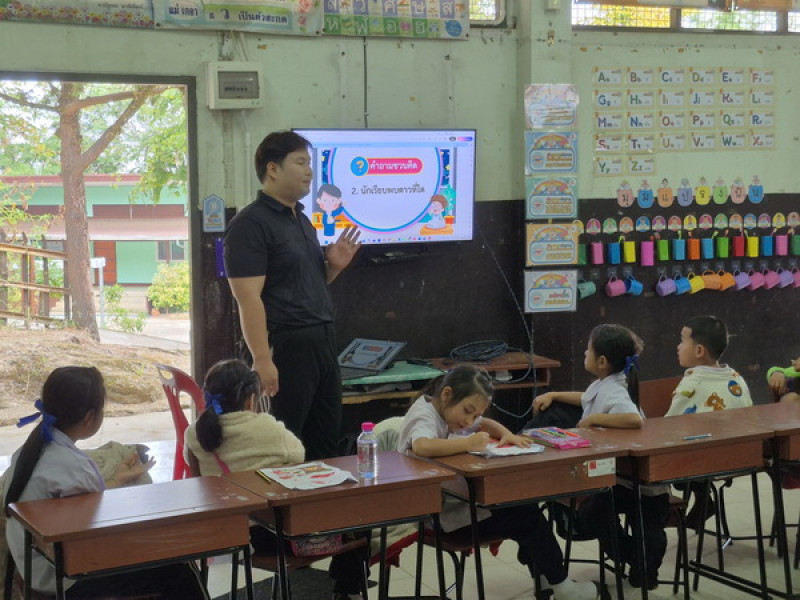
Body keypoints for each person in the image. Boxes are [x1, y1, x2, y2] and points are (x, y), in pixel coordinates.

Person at [397, 365, 604, 600]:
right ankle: (562, 586)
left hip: (450, 508)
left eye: (474, 414)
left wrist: (507, 434)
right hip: (439, 519)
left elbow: (483, 423)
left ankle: (547, 576)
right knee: (528, 517)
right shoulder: (424, 415)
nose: (469, 420)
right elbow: (422, 446)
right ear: (447, 394)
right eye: (468, 411)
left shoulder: (444, 409)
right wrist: (467, 444)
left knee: (524, 506)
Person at [3, 366, 208, 599]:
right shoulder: (72, 465)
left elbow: (76, 508)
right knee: (179, 568)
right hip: (66, 577)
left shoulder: (29, 451)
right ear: (89, 417)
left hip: (35, 566)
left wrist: (116, 479)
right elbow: (96, 533)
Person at [223, 130, 361, 461]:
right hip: (285, 347)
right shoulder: (250, 225)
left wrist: (334, 267)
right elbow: (248, 299)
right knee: (284, 446)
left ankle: (321, 496)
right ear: (273, 169)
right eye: (300, 162)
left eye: (309, 163)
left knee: (324, 443)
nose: (309, 172)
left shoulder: (301, 219)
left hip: (322, 343)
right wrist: (262, 358)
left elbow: (306, 284)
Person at [184, 359, 366, 600]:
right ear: (251, 398)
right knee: (360, 519)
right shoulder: (268, 428)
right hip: (277, 537)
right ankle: (347, 591)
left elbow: (195, 473)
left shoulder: (195, 432)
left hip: (227, 534)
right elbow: (298, 455)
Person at [533, 324, 668, 591]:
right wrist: (555, 395)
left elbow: (634, 419)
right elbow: (586, 399)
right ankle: (634, 558)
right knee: (593, 514)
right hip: (623, 480)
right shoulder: (607, 384)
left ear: (603, 361)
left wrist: (595, 419)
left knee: (610, 519)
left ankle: (640, 562)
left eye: (588, 349)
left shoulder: (615, 390)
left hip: (641, 485)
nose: (585, 353)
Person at [665, 315, 753, 529]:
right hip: (743, 457)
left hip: (706, 461)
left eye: (682, 340)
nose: (678, 346)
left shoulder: (692, 383)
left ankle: (691, 504)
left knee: (671, 461)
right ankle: (704, 501)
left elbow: (668, 426)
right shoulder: (737, 378)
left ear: (699, 351)